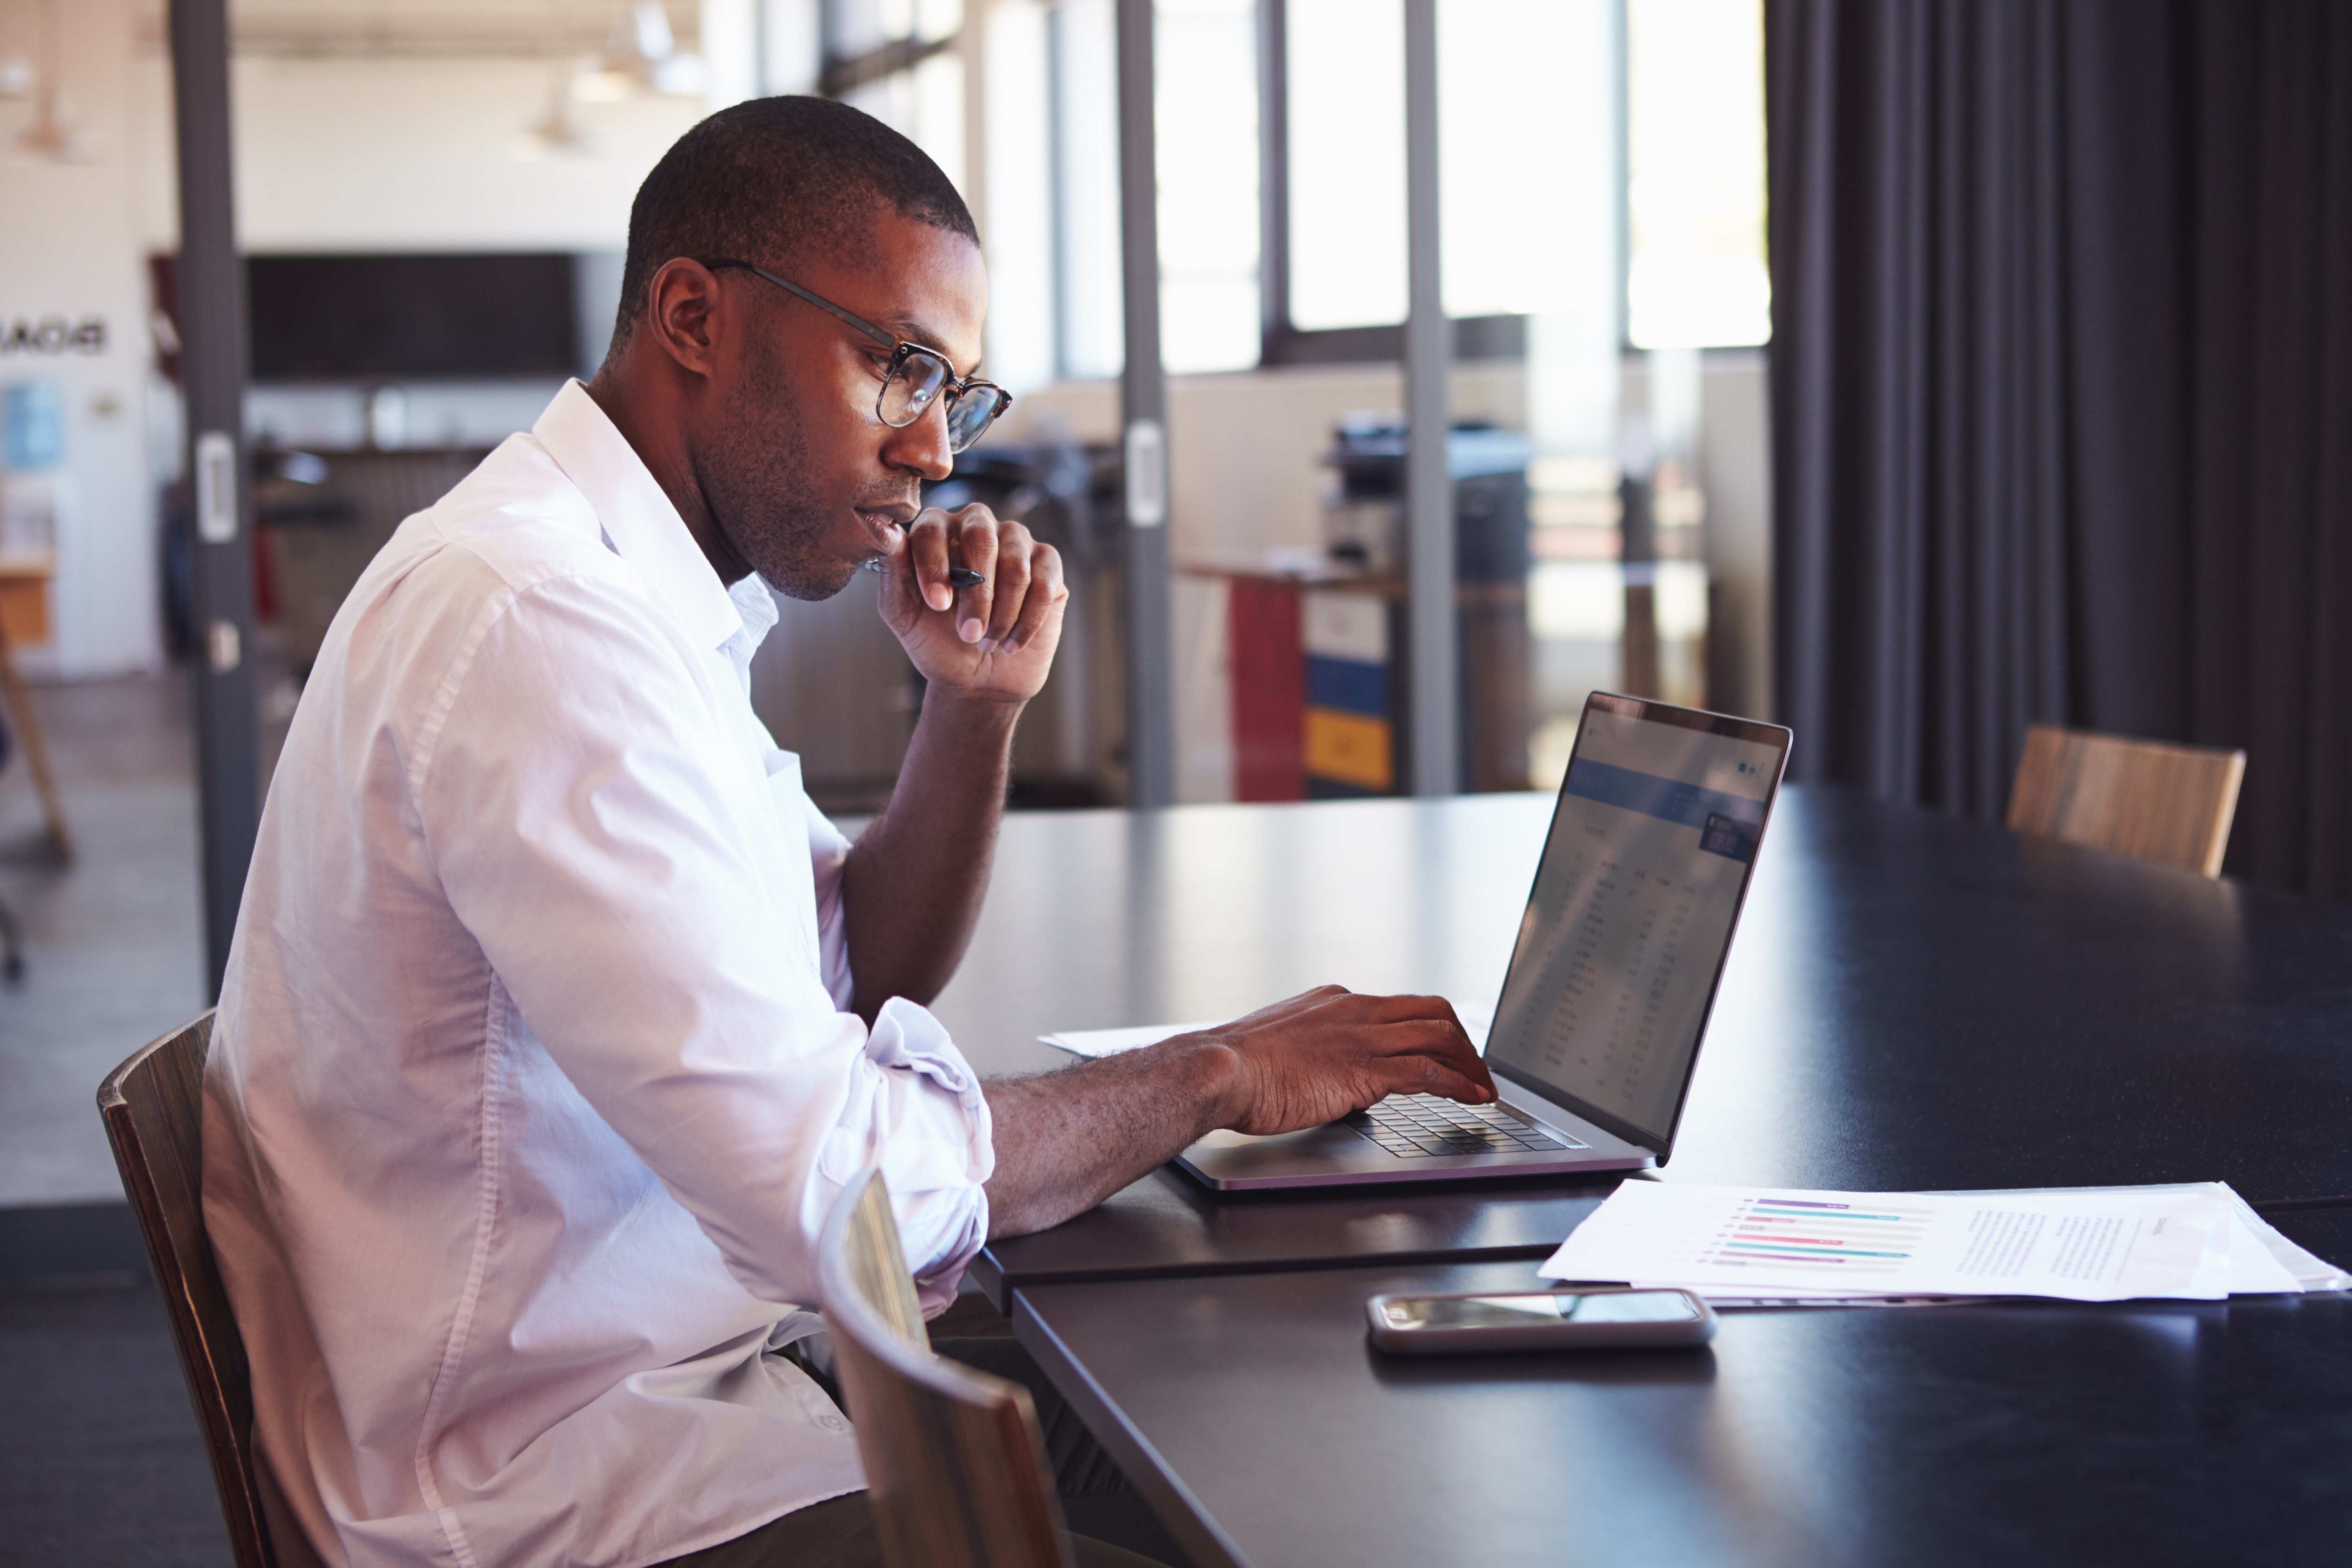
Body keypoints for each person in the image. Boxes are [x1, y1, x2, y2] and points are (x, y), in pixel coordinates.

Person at [202, 95, 1493, 1568]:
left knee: (1246, 1442)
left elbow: (858, 963)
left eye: (962, 394)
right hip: (566, 1490)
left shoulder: (627, 598)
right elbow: (832, 1197)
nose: (938, 451)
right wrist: (1217, 1069)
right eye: (904, 369)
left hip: (692, 1388)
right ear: (695, 315)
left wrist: (974, 707)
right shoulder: (540, 623)